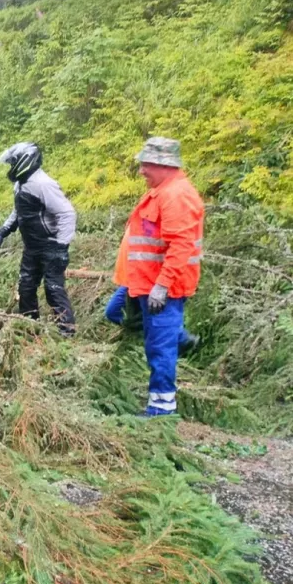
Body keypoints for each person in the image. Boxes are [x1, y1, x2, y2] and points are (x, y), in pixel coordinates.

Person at [123, 137, 205, 417]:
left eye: (146, 164)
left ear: (163, 164)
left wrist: (162, 286)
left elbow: (181, 246)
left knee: (160, 348)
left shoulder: (175, 195)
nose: (141, 170)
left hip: (163, 289)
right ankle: (180, 338)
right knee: (143, 330)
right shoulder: (162, 190)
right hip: (145, 284)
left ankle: (161, 410)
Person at [0, 142, 77, 335]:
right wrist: (2, 231)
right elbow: (19, 211)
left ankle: (67, 335)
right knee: (26, 288)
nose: (11, 166)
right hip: (31, 247)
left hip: (50, 245)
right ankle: (29, 330)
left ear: (25, 160)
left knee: (53, 289)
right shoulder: (20, 184)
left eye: (13, 162)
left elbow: (67, 214)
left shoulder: (43, 184)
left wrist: (61, 246)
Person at [103, 228, 199, 355]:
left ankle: (179, 340)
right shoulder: (139, 216)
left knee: (154, 317)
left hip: (145, 279)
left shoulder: (157, 220)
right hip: (130, 279)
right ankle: (156, 338)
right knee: (113, 312)